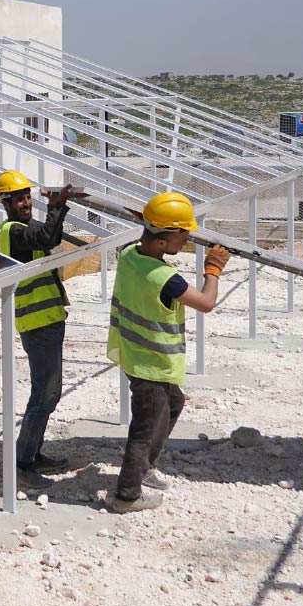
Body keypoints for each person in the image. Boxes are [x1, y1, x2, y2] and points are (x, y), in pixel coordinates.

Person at [109, 191, 230, 514]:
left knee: (174, 403)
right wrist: (213, 270)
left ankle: (145, 465)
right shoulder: (165, 279)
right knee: (144, 426)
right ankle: (126, 495)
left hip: (135, 354)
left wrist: (150, 219)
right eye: (182, 234)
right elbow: (206, 303)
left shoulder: (129, 254)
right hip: (152, 363)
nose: (187, 239)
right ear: (161, 242)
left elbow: (147, 230)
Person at [0, 169, 88, 489]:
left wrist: (57, 208)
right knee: (44, 393)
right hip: (37, 323)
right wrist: (57, 207)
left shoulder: (25, 227)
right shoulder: (13, 232)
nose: (24, 202)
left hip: (48, 319)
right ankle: (22, 462)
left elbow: (51, 234)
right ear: (4, 203)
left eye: (26, 196)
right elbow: (46, 237)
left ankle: (32, 454)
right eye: (17, 198)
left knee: (49, 392)